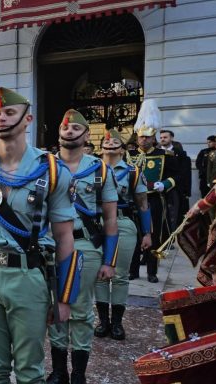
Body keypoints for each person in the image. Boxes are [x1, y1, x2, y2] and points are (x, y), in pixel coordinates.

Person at [0, 88, 79, 384]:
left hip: (27, 274)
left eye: (9, 113)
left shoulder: (50, 170)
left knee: (29, 371)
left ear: (28, 119)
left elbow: (65, 237)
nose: (1, 118)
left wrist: (65, 297)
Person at [47, 110, 119, 384]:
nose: (69, 131)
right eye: (65, 127)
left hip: (85, 246)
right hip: (51, 245)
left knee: (80, 310)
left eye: (76, 128)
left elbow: (110, 218)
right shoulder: (46, 166)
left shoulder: (100, 169)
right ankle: (58, 371)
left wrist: (109, 260)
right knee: (55, 306)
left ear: (87, 135)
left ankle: (78, 373)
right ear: (59, 133)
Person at [95, 129, 152, 342]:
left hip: (123, 222)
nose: (110, 145)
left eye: (115, 142)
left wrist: (147, 233)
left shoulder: (132, 172)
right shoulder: (91, 170)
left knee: (120, 274)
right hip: (96, 223)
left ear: (122, 148)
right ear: (101, 147)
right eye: (107, 142)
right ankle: (103, 321)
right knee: (100, 275)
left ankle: (117, 323)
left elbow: (143, 203)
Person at [128, 100, 179, 283]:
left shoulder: (165, 156)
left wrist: (163, 185)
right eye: (141, 137)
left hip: (154, 199)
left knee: (154, 235)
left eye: (147, 137)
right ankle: (133, 270)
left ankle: (151, 271)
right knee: (134, 235)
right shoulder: (130, 155)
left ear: (153, 137)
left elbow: (176, 177)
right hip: (134, 200)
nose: (144, 140)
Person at [160, 130, 191, 230]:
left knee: (173, 215)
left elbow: (185, 173)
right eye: (161, 138)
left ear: (171, 138)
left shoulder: (180, 154)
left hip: (174, 188)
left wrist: (186, 192)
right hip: (158, 188)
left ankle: (172, 237)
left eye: (165, 137)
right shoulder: (156, 153)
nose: (162, 139)